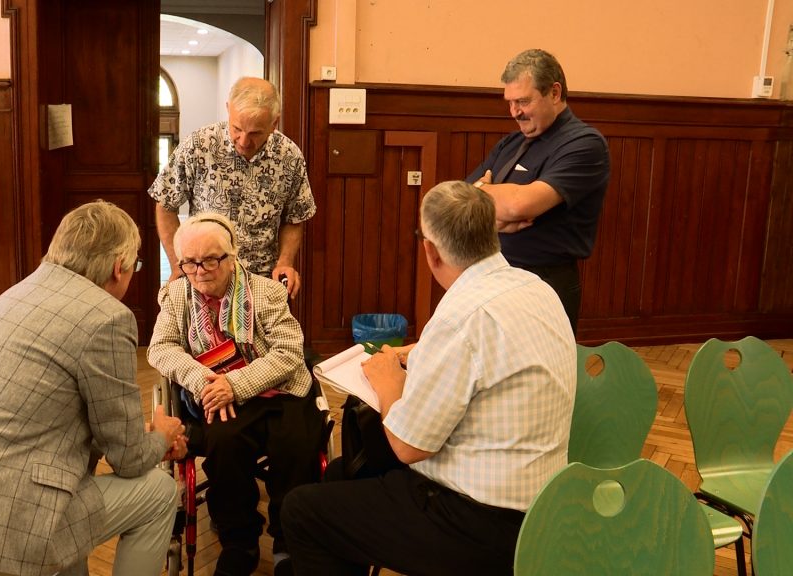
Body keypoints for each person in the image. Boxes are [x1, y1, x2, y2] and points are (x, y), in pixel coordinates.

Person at [281, 181, 576, 576]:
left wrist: (389, 378)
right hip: (544, 507)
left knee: (303, 511)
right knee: (340, 477)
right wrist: (417, 351)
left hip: (480, 522)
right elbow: (487, 355)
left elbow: (408, 445)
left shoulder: (460, 317)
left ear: (430, 250)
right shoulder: (536, 287)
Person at [0, 200, 187, 576]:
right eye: (136, 266)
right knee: (157, 493)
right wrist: (161, 435)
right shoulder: (107, 317)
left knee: (65, 502)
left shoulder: (17, 293)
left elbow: (43, 417)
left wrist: (133, 437)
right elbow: (131, 461)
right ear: (118, 266)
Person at [147, 213, 325, 576]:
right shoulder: (178, 294)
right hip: (217, 394)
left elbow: (289, 352)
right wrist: (205, 381)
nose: (200, 271)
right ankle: (239, 542)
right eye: (190, 263)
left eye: (211, 260)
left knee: (296, 443)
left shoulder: (266, 291)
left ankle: (289, 544)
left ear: (232, 257)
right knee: (223, 442)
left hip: (279, 389)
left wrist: (235, 384)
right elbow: (160, 348)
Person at [469, 48, 610, 332]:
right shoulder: (510, 143)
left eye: (523, 101)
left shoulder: (584, 144)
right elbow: (461, 198)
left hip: (544, 285)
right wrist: (496, 215)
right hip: (492, 276)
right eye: (510, 102)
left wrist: (486, 193)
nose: (515, 112)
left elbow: (520, 206)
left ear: (555, 93)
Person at [148, 76, 315, 298]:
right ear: (228, 110)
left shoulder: (289, 156)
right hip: (203, 277)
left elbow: (295, 216)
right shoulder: (199, 146)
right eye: (237, 128)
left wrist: (285, 261)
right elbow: (165, 203)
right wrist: (178, 263)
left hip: (261, 283)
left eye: (255, 133)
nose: (244, 141)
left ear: (274, 123)